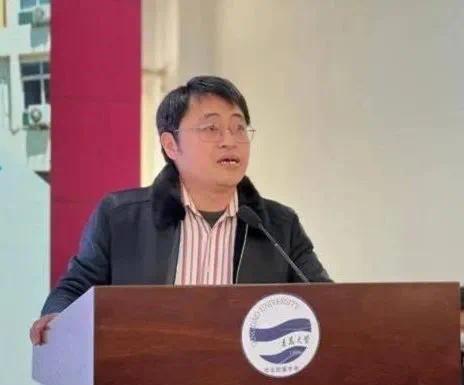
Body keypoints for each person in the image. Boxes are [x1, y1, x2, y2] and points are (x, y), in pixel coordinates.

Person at [30, 75, 331, 344]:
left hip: (245, 384)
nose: (230, 141)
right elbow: (75, 289)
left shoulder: (278, 226)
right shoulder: (120, 217)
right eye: (211, 128)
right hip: (147, 379)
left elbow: (327, 304)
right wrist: (57, 318)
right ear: (171, 145)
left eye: (239, 128)